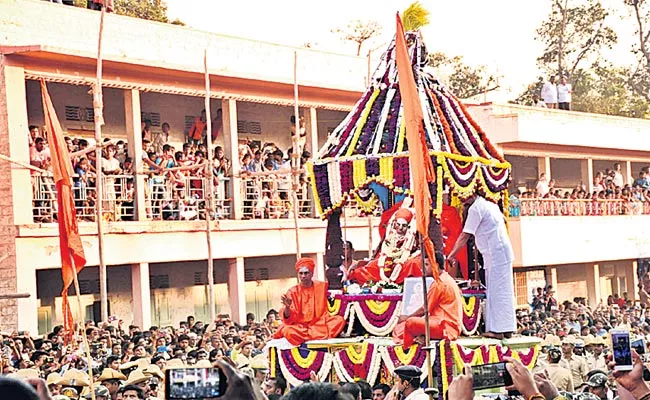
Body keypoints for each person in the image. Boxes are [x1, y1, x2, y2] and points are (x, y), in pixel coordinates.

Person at [448, 194, 516, 339]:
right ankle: (507, 328)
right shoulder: (490, 204)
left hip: (496, 253)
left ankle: (498, 331)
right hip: (498, 252)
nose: (460, 198)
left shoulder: (476, 209)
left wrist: (452, 255)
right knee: (503, 290)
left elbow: (465, 236)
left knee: (497, 292)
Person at [392, 252, 463, 346]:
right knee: (400, 328)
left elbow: (425, 309)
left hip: (445, 327)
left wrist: (406, 317)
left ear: (436, 265)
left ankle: (414, 340)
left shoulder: (439, 283)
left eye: (426, 265)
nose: (423, 268)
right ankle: (421, 336)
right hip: (448, 326)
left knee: (409, 323)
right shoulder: (447, 278)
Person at [273, 258, 346, 346]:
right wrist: (287, 307)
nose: (303, 276)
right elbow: (289, 320)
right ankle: (316, 336)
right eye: (301, 273)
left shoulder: (322, 286)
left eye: (306, 273)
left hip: (319, 323)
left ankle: (309, 336)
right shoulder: (292, 292)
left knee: (339, 320)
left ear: (312, 273)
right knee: (288, 331)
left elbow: (337, 292)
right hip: (300, 327)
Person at [348, 208, 422, 284]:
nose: (400, 228)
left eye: (404, 225)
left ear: (409, 226)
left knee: (411, 265)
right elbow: (385, 251)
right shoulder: (391, 234)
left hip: (405, 261)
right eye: (398, 224)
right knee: (370, 267)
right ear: (394, 223)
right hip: (387, 260)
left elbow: (419, 251)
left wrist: (407, 257)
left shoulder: (414, 236)